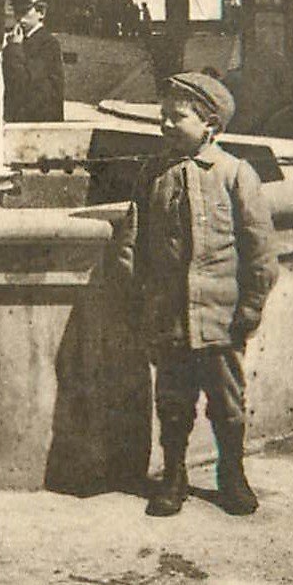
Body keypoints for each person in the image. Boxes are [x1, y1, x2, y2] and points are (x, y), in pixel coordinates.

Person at [115, 70, 278, 517]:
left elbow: (260, 248)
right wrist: (138, 296)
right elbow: (133, 239)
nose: (165, 124)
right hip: (168, 315)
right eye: (163, 116)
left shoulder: (234, 175)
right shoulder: (154, 174)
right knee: (172, 400)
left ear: (210, 125)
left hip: (219, 316)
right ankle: (173, 475)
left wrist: (250, 306)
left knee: (227, 402)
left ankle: (232, 474)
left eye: (178, 117)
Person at [2, 0, 65, 122]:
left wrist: (14, 48)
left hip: (40, 121)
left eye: (25, 11)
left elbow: (23, 80)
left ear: (41, 13)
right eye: (17, 12)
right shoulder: (19, 39)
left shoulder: (48, 44)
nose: (19, 17)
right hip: (22, 118)